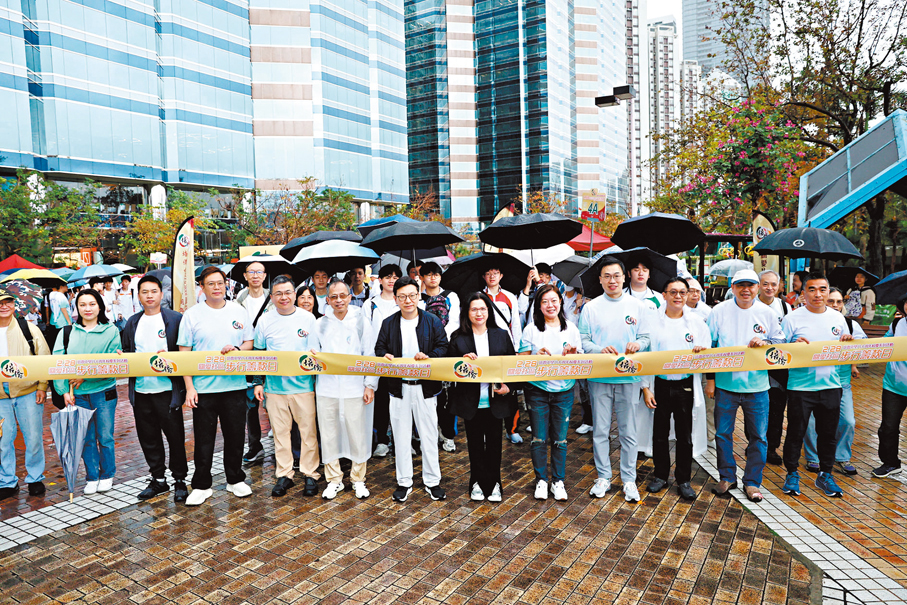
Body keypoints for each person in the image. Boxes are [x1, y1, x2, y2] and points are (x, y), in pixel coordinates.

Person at [177, 266, 254, 506]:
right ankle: (201, 485)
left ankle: (235, 478)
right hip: (204, 389)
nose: (217, 287)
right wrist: (190, 387)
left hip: (234, 386)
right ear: (202, 287)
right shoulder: (192, 315)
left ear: (226, 285)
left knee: (235, 436)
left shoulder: (238, 311)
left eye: (220, 283)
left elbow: (249, 342)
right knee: (203, 440)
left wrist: (237, 349)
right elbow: (184, 354)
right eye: (211, 284)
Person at [706, 269, 783, 503]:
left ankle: (752, 482)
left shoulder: (767, 313)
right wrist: (711, 380)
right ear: (732, 287)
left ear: (757, 288)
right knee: (722, 434)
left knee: (759, 437)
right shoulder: (719, 311)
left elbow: (780, 342)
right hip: (726, 385)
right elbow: (710, 346)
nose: (746, 290)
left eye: (750, 285)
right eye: (740, 285)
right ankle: (727, 477)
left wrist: (766, 341)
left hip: (757, 386)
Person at [579, 256, 650, 503]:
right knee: (600, 430)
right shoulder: (591, 308)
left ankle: (629, 479)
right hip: (599, 377)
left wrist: (638, 344)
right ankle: (603, 477)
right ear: (600, 280)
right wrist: (600, 350)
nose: (612, 280)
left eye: (616, 275)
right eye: (607, 276)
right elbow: (584, 341)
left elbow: (647, 338)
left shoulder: (638, 306)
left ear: (624, 277)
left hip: (629, 377)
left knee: (628, 432)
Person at [375, 276, 449, 502]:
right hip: (399, 388)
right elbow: (379, 348)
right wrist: (385, 356)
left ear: (419, 296)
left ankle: (432, 481)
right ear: (395, 299)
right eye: (402, 296)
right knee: (401, 436)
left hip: (425, 388)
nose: (408, 300)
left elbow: (443, 346)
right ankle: (404, 481)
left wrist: (430, 356)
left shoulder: (432, 321)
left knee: (429, 435)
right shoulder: (389, 323)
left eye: (412, 295)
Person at [779, 272, 851, 498]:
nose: (817, 294)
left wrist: (848, 342)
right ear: (804, 293)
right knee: (796, 432)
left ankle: (825, 475)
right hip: (800, 387)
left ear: (828, 292)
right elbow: (778, 352)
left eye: (822, 289)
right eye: (812, 289)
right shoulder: (792, 318)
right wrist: (793, 345)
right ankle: (792, 473)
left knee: (828, 434)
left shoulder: (838, 318)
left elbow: (847, 350)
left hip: (831, 385)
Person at [119, 275, 188, 503]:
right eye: (144, 292)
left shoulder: (175, 319)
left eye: (153, 291)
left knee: (175, 438)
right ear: (138, 296)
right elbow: (127, 351)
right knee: (148, 438)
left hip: (167, 391)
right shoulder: (132, 322)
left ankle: (180, 479)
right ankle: (158, 479)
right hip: (141, 391)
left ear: (161, 294)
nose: (149, 296)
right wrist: (123, 356)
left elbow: (185, 351)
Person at [641, 278, 710, 500]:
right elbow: (645, 357)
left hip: (685, 385)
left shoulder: (696, 323)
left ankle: (683, 479)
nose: (678, 296)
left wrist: (701, 350)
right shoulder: (652, 322)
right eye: (673, 292)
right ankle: (660, 475)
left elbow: (708, 351)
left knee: (684, 435)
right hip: (660, 384)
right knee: (659, 434)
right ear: (664, 295)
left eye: (682, 292)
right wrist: (646, 388)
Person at [253, 276, 321, 498]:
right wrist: (258, 382)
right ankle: (284, 474)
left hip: (303, 386)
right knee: (281, 435)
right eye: (279, 293)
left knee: (308, 433)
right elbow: (259, 353)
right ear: (272, 297)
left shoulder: (308, 318)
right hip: (275, 389)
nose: (284, 297)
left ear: (294, 294)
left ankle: (310, 473)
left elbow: (316, 352)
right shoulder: (265, 321)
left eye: (288, 292)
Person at [311, 279, 378, 499]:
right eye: (334, 297)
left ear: (350, 297)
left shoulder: (361, 322)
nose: (339, 300)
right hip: (327, 388)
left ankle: (358, 479)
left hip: (354, 388)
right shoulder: (320, 324)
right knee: (329, 434)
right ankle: (334, 479)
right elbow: (312, 355)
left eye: (343, 296)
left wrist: (370, 384)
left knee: (357, 434)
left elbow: (370, 354)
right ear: (328, 300)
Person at [53, 289, 122, 495]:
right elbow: (57, 363)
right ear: (76, 308)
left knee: (105, 436)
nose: (87, 308)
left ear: (100, 306)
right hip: (77, 394)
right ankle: (92, 476)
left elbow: (112, 363)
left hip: (104, 391)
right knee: (85, 437)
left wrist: (84, 376)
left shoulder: (111, 331)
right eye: (82, 305)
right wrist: (63, 391)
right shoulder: (67, 332)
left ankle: (107, 474)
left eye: (92, 304)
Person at [448, 292, 516, 502]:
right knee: (475, 445)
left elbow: (512, 366)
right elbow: (449, 367)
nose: (479, 313)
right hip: (471, 401)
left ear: (489, 311)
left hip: (496, 400)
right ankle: (476, 482)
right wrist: (461, 361)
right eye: (474, 309)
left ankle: (494, 483)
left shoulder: (501, 334)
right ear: (467, 313)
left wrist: (509, 387)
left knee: (495, 445)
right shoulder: (458, 338)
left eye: (483, 309)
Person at [519, 284, 583, 501]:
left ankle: (558, 481)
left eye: (554, 300)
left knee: (560, 439)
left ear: (560, 302)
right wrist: (535, 356)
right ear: (538, 305)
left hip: (564, 390)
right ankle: (541, 480)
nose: (550, 305)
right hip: (537, 390)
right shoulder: (531, 329)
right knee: (539, 438)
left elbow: (581, 360)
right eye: (544, 301)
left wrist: (572, 354)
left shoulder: (571, 329)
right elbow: (521, 361)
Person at [803, 287, 864, 476]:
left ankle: (842, 456)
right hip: (813, 380)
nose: (835, 305)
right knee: (811, 422)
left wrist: (852, 352)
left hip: (841, 382)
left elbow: (863, 347)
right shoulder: (810, 322)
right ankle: (813, 457)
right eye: (831, 301)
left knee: (848, 421)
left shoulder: (850, 325)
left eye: (839, 302)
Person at [0, 287, 51, 500]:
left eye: (8, 302)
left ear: (14, 304)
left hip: (27, 391)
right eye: (0, 303)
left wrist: (42, 386)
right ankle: (7, 481)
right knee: (3, 440)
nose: (4, 306)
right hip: (0, 396)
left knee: (33, 436)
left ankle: (35, 478)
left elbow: (44, 357)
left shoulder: (27, 328)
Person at [419, 261, 461, 452]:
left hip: (447, 350)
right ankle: (429, 433)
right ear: (422, 277)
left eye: (436, 274)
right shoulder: (418, 298)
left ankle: (448, 434)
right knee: (427, 394)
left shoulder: (450, 296)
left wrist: (440, 338)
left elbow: (455, 322)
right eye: (428, 274)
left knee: (448, 395)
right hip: (425, 351)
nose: (433, 278)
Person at [235, 261, 273, 466]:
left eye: (259, 272)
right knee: (249, 403)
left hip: (271, 354)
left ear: (265, 275)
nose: (255, 275)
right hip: (248, 355)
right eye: (252, 272)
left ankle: (282, 442)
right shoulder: (239, 300)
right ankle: (255, 445)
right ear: (245, 276)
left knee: (273, 400)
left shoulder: (273, 297)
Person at [481, 264, 524, 444]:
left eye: (495, 273)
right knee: (488, 388)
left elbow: (515, 324)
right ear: (483, 277)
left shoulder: (509, 297)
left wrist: (518, 349)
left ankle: (512, 429)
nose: (492, 276)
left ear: (501, 275)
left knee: (510, 390)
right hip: (485, 348)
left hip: (507, 349)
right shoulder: (479, 297)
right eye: (488, 273)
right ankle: (487, 428)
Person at [363, 264, 402, 457]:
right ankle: (382, 441)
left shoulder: (403, 301)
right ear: (380, 280)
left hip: (401, 360)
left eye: (395, 277)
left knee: (402, 402)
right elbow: (367, 335)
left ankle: (402, 440)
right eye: (387, 277)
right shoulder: (370, 304)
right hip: (379, 359)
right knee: (381, 402)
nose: (391, 280)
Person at [758, 269, 794, 466]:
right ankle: (755, 442)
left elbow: (789, 335)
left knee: (777, 407)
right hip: (755, 364)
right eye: (765, 284)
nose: (769, 288)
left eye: (773, 284)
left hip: (778, 364)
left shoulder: (785, 307)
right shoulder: (750, 305)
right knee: (754, 406)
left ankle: (771, 447)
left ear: (780, 286)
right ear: (758, 286)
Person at [872, 293, 907, 479]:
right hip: (894, 386)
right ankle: (890, 463)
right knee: (888, 427)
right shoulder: (897, 324)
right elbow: (883, 345)